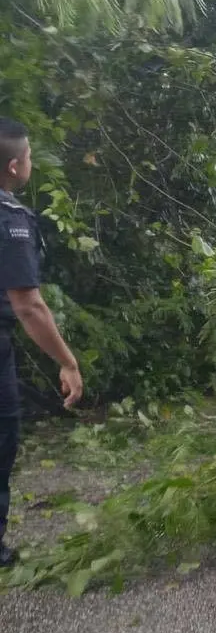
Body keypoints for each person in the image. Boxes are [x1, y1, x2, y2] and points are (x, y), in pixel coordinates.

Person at [0, 118, 84, 568]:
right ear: (14, 166)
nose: (31, 162)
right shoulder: (9, 220)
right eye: (29, 156)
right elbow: (28, 306)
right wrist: (67, 363)